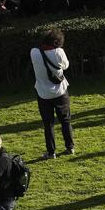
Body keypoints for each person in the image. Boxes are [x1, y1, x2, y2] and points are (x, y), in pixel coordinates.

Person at [30, 30, 75, 158]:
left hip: (43, 93)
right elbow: (65, 66)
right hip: (60, 92)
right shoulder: (59, 52)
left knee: (48, 124)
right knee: (65, 121)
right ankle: (70, 147)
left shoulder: (34, 52)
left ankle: (51, 152)